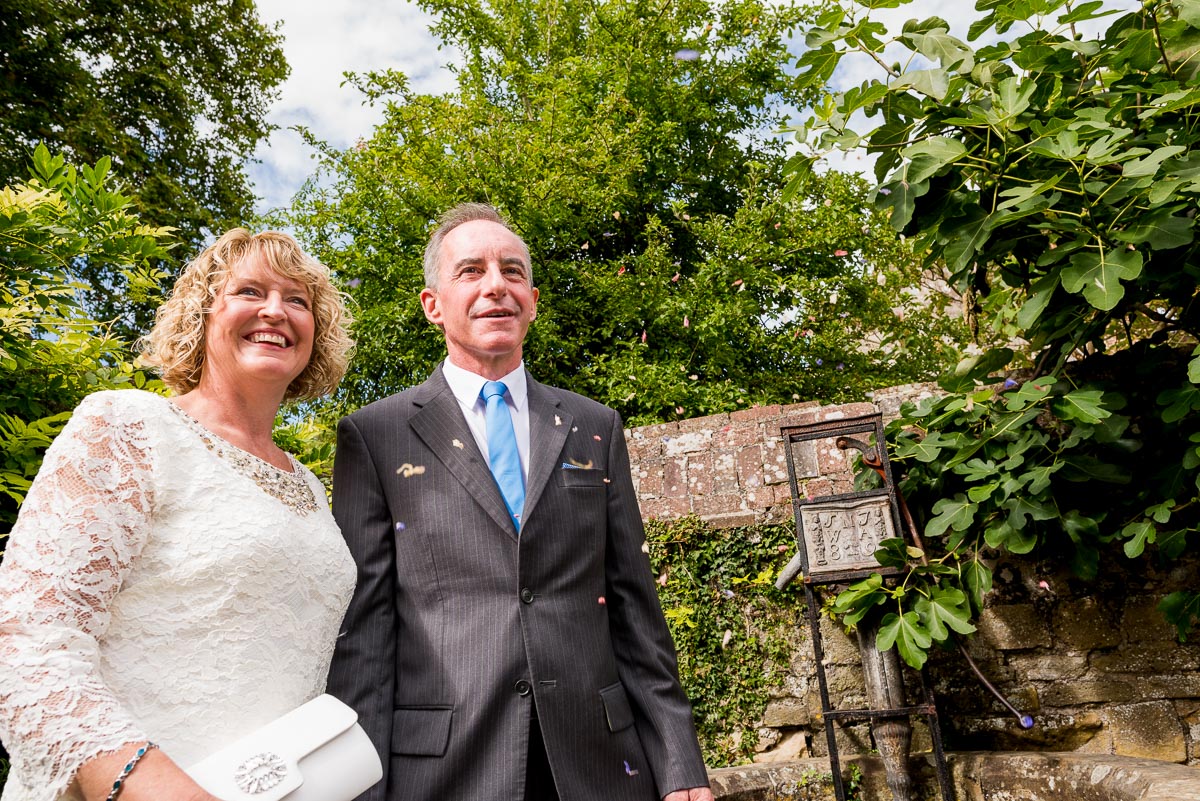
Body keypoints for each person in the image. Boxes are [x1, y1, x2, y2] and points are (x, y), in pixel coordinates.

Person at [327, 203, 714, 801]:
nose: (495, 287)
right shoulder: (375, 436)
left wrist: (681, 765)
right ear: (433, 305)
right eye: (470, 271)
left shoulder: (594, 426)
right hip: (446, 768)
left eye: (512, 271)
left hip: (600, 762)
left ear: (531, 299)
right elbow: (367, 635)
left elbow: (635, 606)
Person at [0, 229, 357, 801]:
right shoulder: (129, 426)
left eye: (298, 300)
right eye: (249, 291)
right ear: (202, 313)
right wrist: (151, 787)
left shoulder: (311, 487)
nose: (276, 311)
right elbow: (28, 637)